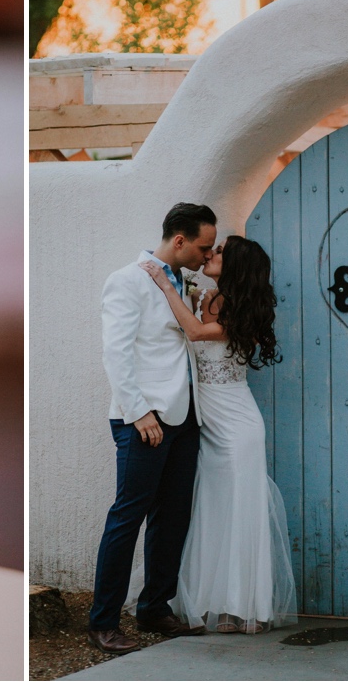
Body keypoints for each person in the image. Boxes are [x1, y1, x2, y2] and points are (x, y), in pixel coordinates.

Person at [138, 235, 297, 634]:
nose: (211, 254)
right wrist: (186, 295)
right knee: (210, 511)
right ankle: (210, 601)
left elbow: (193, 332)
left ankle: (243, 605)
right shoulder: (207, 296)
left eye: (220, 251)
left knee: (240, 511)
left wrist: (164, 283)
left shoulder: (239, 310)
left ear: (237, 266)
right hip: (207, 423)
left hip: (237, 425)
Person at [88, 202, 217, 655]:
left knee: (172, 516)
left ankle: (153, 607)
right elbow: (116, 353)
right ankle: (103, 621)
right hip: (144, 418)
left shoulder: (185, 280)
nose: (207, 255)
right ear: (179, 240)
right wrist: (139, 412)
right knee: (128, 517)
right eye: (203, 247)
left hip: (185, 418)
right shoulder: (127, 280)